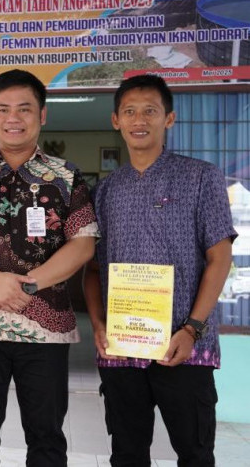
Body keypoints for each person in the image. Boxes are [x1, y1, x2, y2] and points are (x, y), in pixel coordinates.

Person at [0, 68, 98, 467]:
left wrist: (26, 285)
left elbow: (83, 243)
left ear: (42, 115)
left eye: (24, 108)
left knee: (46, 436)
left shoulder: (67, 175)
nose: (13, 118)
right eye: (3, 109)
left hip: (47, 330)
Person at [83, 74, 236, 466]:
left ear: (169, 118)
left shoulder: (201, 177)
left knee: (195, 454)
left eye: (150, 111)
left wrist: (192, 329)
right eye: (130, 111)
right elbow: (94, 269)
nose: (139, 120)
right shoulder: (105, 191)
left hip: (183, 348)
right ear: (116, 120)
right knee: (127, 454)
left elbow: (220, 258)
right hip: (121, 350)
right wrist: (98, 325)